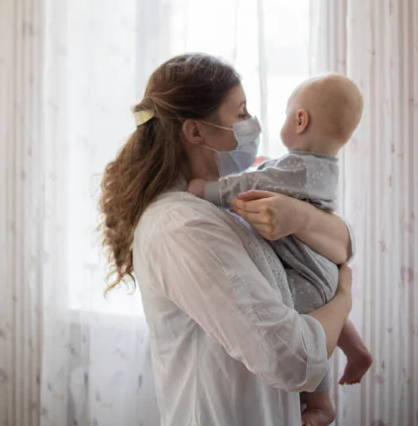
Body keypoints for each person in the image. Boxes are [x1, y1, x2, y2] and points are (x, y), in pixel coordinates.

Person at [99, 53, 354, 426]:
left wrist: (300, 216)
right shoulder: (181, 227)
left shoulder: (225, 204)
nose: (252, 124)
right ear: (196, 131)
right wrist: (344, 299)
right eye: (241, 112)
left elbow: (343, 245)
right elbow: (292, 359)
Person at [188, 74, 373, 424]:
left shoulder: (297, 166)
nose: (252, 121)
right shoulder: (318, 166)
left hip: (308, 270)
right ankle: (357, 349)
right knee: (330, 300)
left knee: (310, 324)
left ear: (300, 120)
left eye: (288, 113)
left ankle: (320, 402)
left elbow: (252, 183)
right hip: (320, 266)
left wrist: (206, 190)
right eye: (241, 112)